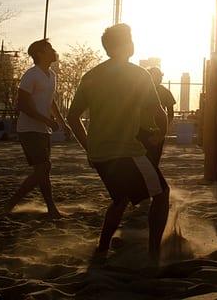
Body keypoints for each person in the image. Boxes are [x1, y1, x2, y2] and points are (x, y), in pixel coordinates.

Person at [67, 23, 170, 260]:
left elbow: (72, 118)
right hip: (127, 152)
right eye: (130, 39)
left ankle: (102, 248)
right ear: (126, 45)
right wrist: (160, 133)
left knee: (120, 199)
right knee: (162, 194)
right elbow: (159, 112)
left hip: (100, 154)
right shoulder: (138, 74)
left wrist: (89, 148)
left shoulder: (91, 76)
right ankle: (154, 253)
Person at [4, 39, 69, 218]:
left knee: (43, 171)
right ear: (40, 53)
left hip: (42, 130)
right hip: (29, 129)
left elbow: (51, 102)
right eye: (50, 48)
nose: (54, 51)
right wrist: (47, 121)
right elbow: (22, 105)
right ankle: (11, 204)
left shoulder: (51, 76)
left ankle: (51, 208)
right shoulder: (31, 75)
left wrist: (62, 122)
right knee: (43, 168)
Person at [137, 67, 176, 167]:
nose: (159, 79)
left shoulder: (164, 92)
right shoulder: (139, 90)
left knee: (153, 160)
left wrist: (163, 130)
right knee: (141, 159)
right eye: (156, 76)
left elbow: (170, 113)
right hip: (140, 129)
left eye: (160, 76)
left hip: (157, 129)